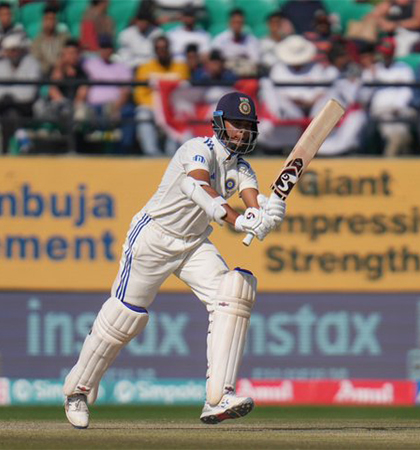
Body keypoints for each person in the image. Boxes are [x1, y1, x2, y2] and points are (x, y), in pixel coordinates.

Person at [63, 91, 287, 428]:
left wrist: (265, 215)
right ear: (220, 124)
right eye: (237, 124)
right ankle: (77, 390)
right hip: (154, 236)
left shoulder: (243, 169)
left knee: (235, 290)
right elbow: (197, 188)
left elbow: (252, 205)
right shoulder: (197, 149)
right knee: (124, 317)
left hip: (193, 244)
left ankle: (218, 397)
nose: (242, 131)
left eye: (247, 125)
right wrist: (238, 219)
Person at [134, 36, 189, 156]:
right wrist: (159, 109)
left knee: (180, 117)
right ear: (155, 50)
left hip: (174, 108)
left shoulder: (181, 67)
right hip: (152, 107)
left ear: (169, 49)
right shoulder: (145, 68)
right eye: (158, 48)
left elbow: (186, 93)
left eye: (164, 48)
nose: (162, 51)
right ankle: (152, 153)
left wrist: (166, 110)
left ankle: (172, 155)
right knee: (142, 113)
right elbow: (140, 95)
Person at [83, 35, 135, 153]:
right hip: (93, 107)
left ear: (112, 49)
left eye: (108, 47)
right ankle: (82, 151)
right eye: (103, 47)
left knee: (129, 112)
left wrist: (116, 108)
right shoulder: (89, 64)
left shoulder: (122, 67)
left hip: (115, 106)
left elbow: (125, 91)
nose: (105, 50)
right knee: (80, 113)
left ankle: (123, 151)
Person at [363, 38, 415, 157]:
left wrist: (398, 106)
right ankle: (390, 160)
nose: (385, 55)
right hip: (380, 110)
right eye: (383, 53)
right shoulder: (374, 69)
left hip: (399, 110)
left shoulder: (404, 68)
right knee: (394, 135)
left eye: (387, 53)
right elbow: (364, 95)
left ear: (393, 53)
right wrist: (370, 75)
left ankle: (395, 157)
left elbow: (407, 91)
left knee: (401, 132)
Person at [0, 34, 41, 153]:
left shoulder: (32, 65)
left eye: (14, 50)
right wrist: (15, 93)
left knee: (11, 114)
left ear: (21, 50)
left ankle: (5, 152)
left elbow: (29, 93)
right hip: (5, 107)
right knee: (9, 113)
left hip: (28, 108)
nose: (11, 54)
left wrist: (10, 94)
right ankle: (22, 140)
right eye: (8, 51)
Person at [0, 1, 27, 80]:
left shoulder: (19, 32)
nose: (5, 18)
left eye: (7, 14)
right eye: (2, 15)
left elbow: (24, 50)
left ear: (12, 15)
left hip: (13, 71)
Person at [211, 9, 260, 77]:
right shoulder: (219, 40)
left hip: (245, 75)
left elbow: (255, 62)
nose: (237, 25)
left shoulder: (251, 40)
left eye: (240, 23)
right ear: (229, 23)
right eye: (234, 22)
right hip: (225, 76)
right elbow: (216, 62)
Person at [31, 5, 69, 76]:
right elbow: (37, 60)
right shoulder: (36, 42)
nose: (51, 22)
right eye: (48, 19)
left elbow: (69, 55)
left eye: (53, 19)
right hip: (44, 74)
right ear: (43, 21)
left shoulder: (65, 37)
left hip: (63, 72)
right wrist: (53, 67)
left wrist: (60, 66)